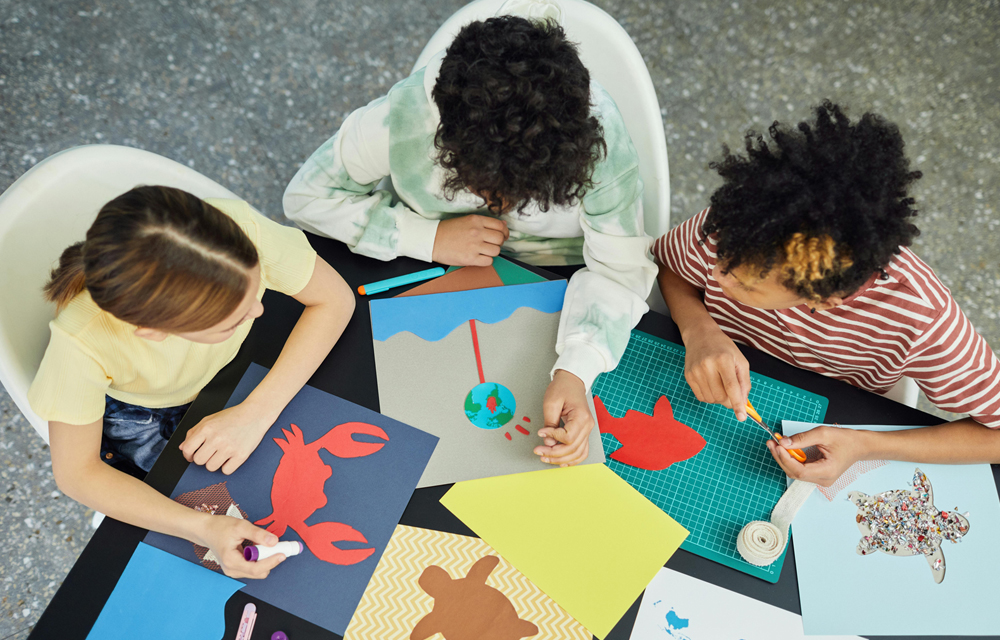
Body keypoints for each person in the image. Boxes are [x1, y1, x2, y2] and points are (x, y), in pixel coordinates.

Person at [284, 15, 656, 467]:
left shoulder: (601, 140)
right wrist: (429, 237)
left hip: (560, 282)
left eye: (526, 196)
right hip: (416, 261)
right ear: (446, 140)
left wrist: (577, 369)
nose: (500, 205)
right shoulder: (403, 119)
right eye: (486, 189)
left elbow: (619, 271)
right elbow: (306, 197)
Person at [654, 101, 1000, 486]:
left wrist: (863, 445)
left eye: (747, 285)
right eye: (721, 257)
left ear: (822, 300)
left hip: (837, 406)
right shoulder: (739, 225)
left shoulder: (920, 317)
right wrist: (698, 329)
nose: (717, 275)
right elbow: (671, 266)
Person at [29, 185, 355, 578]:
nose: (258, 310)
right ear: (152, 331)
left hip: (220, 376)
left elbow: (335, 300)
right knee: (177, 496)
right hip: (135, 411)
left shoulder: (238, 233)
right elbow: (77, 474)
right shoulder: (80, 344)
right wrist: (200, 527)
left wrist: (257, 411)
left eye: (255, 287)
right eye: (231, 320)